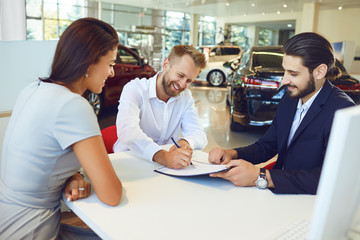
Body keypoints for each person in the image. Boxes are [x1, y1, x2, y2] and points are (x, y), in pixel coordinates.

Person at [0, 18, 123, 239]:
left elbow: (43, 157)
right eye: (110, 63)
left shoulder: (33, 89)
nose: (112, 73)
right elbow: (111, 195)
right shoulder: (73, 106)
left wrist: (71, 175)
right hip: (31, 228)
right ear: (88, 63)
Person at [208, 32, 355, 194]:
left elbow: (330, 178)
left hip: (308, 202)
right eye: (285, 71)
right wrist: (232, 153)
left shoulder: (342, 111)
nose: (284, 81)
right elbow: (268, 145)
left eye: (293, 74)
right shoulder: (291, 98)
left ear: (320, 72)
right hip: (280, 194)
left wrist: (263, 176)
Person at [113, 45, 207, 169]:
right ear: (166, 64)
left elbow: (199, 134)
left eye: (189, 81)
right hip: (130, 163)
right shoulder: (135, 89)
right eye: (180, 75)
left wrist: (186, 142)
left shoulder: (185, 97)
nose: (182, 84)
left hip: (165, 168)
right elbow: (127, 132)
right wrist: (163, 157)